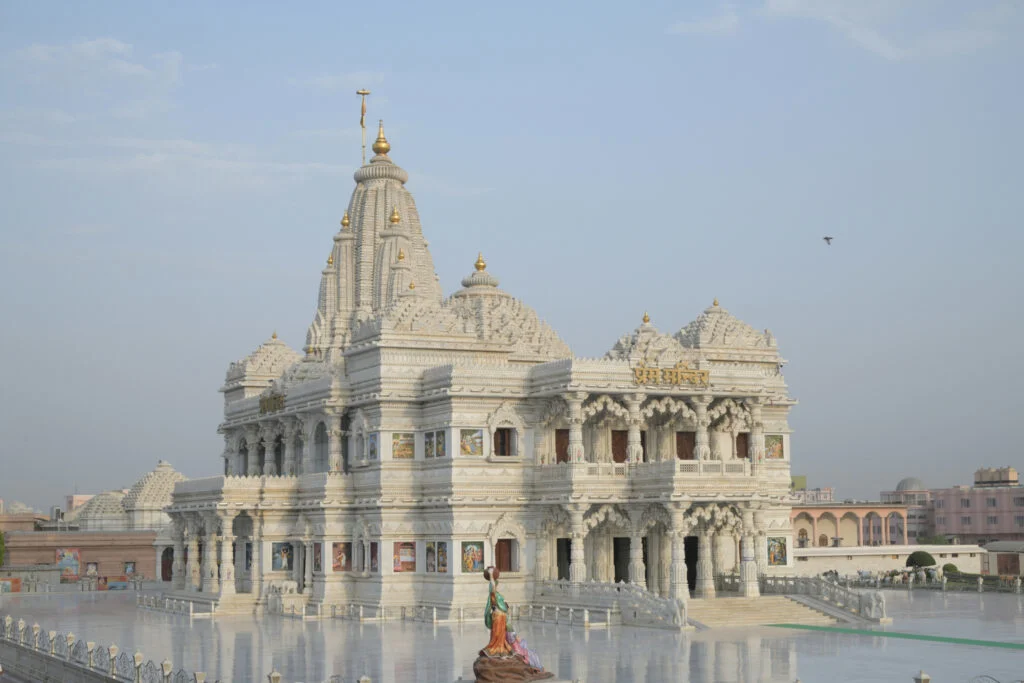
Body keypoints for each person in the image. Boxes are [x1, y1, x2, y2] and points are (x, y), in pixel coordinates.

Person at [482, 567, 513, 657]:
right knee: (497, 633)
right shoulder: (493, 594)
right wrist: (491, 574)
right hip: (498, 616)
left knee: (502, 635)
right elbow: (492, 585)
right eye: (494, 584)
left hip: (502, 616)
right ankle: (494, 650)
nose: (495, 585)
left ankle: (501, 651)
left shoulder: (498, 594)